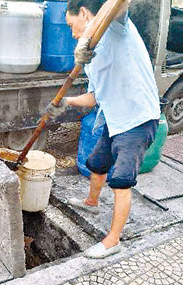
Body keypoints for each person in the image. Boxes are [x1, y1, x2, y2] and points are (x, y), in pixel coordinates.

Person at [47, 0, 160, 259]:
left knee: (120, 180)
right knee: (97, 163)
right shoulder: (92, 56)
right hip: (116, 117)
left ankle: (113, 240)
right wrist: (66, 102)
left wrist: (84, 38)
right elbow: (95, 97)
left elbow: (119, 3)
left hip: (138, 118)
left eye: (71, 26)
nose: (72, 33)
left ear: (84, 14)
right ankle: (92, 203)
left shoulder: (116, 27)